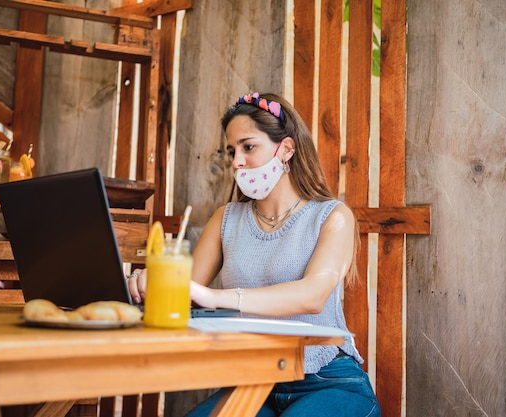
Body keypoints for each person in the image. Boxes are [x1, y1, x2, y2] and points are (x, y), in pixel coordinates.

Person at [128, 92, 380, 417]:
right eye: (232, 150)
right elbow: (184, 294)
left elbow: (312, 295)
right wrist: (149, 283)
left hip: (327, 381)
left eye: (248, 147)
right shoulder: (226, 219)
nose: (236, 162)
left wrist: (216, 297)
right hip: (251, 384)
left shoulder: (333, 216)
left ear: (285, 149)